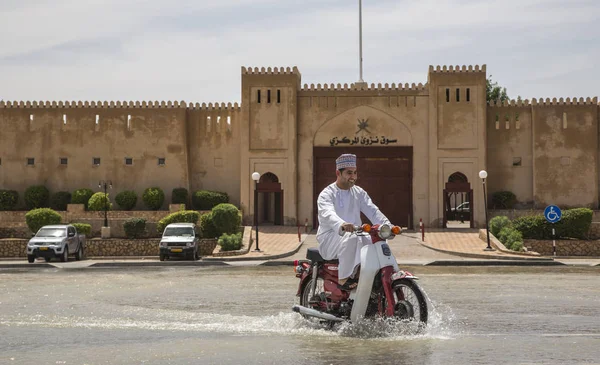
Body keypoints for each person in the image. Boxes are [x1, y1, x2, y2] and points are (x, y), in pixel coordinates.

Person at [316, 153, 391, 291]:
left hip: (356, 235)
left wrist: (388, 226)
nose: (354, 177)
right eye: (349, 173)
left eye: (355, 173)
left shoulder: (359, 192)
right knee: (352, 238)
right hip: (331, 238)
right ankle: (345, 278)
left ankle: (373, 278)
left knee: (376, 242)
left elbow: (373, 211)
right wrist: (342, 224)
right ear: (338, 173)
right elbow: (328, 213)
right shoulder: (326, 194)